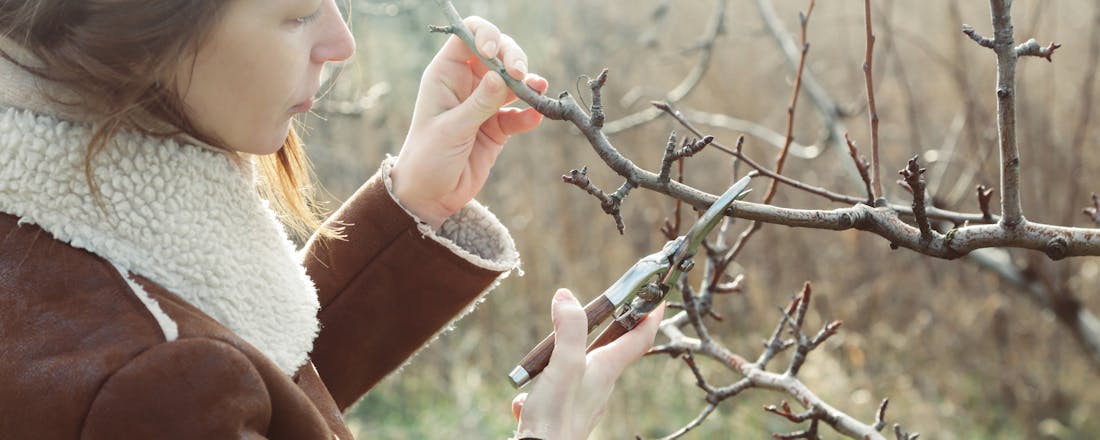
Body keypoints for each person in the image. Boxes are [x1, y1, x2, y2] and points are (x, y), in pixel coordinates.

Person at [0, 0, 663, 439]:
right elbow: (186, 384)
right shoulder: (135, 386)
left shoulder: (54, 246)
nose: (340, 43)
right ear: (147, 25)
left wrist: (417, 201)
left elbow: (257, 394)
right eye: (296, 13)